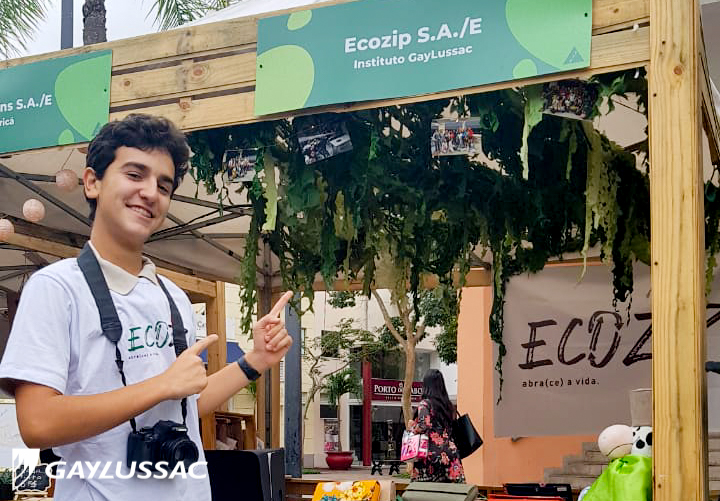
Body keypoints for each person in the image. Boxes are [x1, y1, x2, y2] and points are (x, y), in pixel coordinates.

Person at [0, 113, 293, 501]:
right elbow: (38, 423)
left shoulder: (172, 296)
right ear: (92, 182)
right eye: (135, 174)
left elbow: (184, 404)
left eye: (164, 185)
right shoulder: (56, 288)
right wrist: (159, 385)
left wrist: (255, 360)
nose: (151, 192)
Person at [408, 369, 465, 483]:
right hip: (451, 453)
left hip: (430, 454)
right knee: (452, 491)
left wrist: (412, 427)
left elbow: (424, 426)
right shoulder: (448, 405)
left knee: (425, 491)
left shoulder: (425, 404)